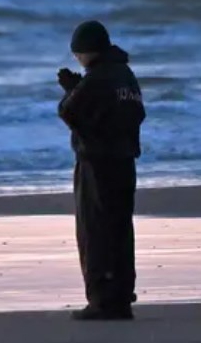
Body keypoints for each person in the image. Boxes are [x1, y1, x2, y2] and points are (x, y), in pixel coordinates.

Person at [57, 20, 146, 321]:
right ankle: (120, 295)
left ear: (87, 51)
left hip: (97, 163)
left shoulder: (99, 78)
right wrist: (78, 87)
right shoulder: (125, 75)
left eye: (78, 53)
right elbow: (129, 114)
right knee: (120, 229)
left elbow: (70, 112)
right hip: (124, 161)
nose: (78, 60)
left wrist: (72, 90)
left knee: (96, 230)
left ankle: (102, 299)